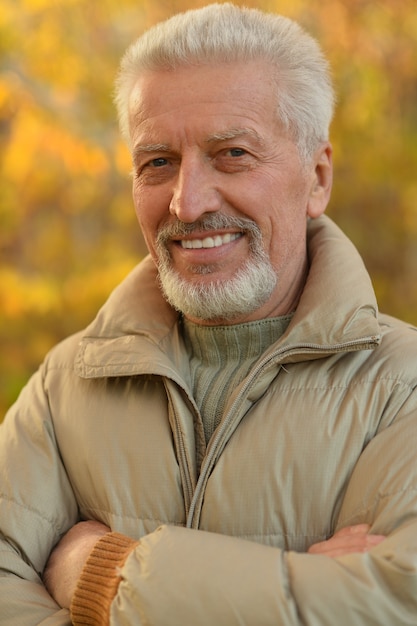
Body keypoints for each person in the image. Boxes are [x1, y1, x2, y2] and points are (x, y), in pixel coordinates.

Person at [1, 3, 416, 624]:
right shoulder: (65, 387)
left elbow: (392, 605)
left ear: (317, 177)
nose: (187, 204)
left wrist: (100, 573)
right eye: (158, 162)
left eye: (233, 154)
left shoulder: (402, 387)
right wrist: (304, 585)